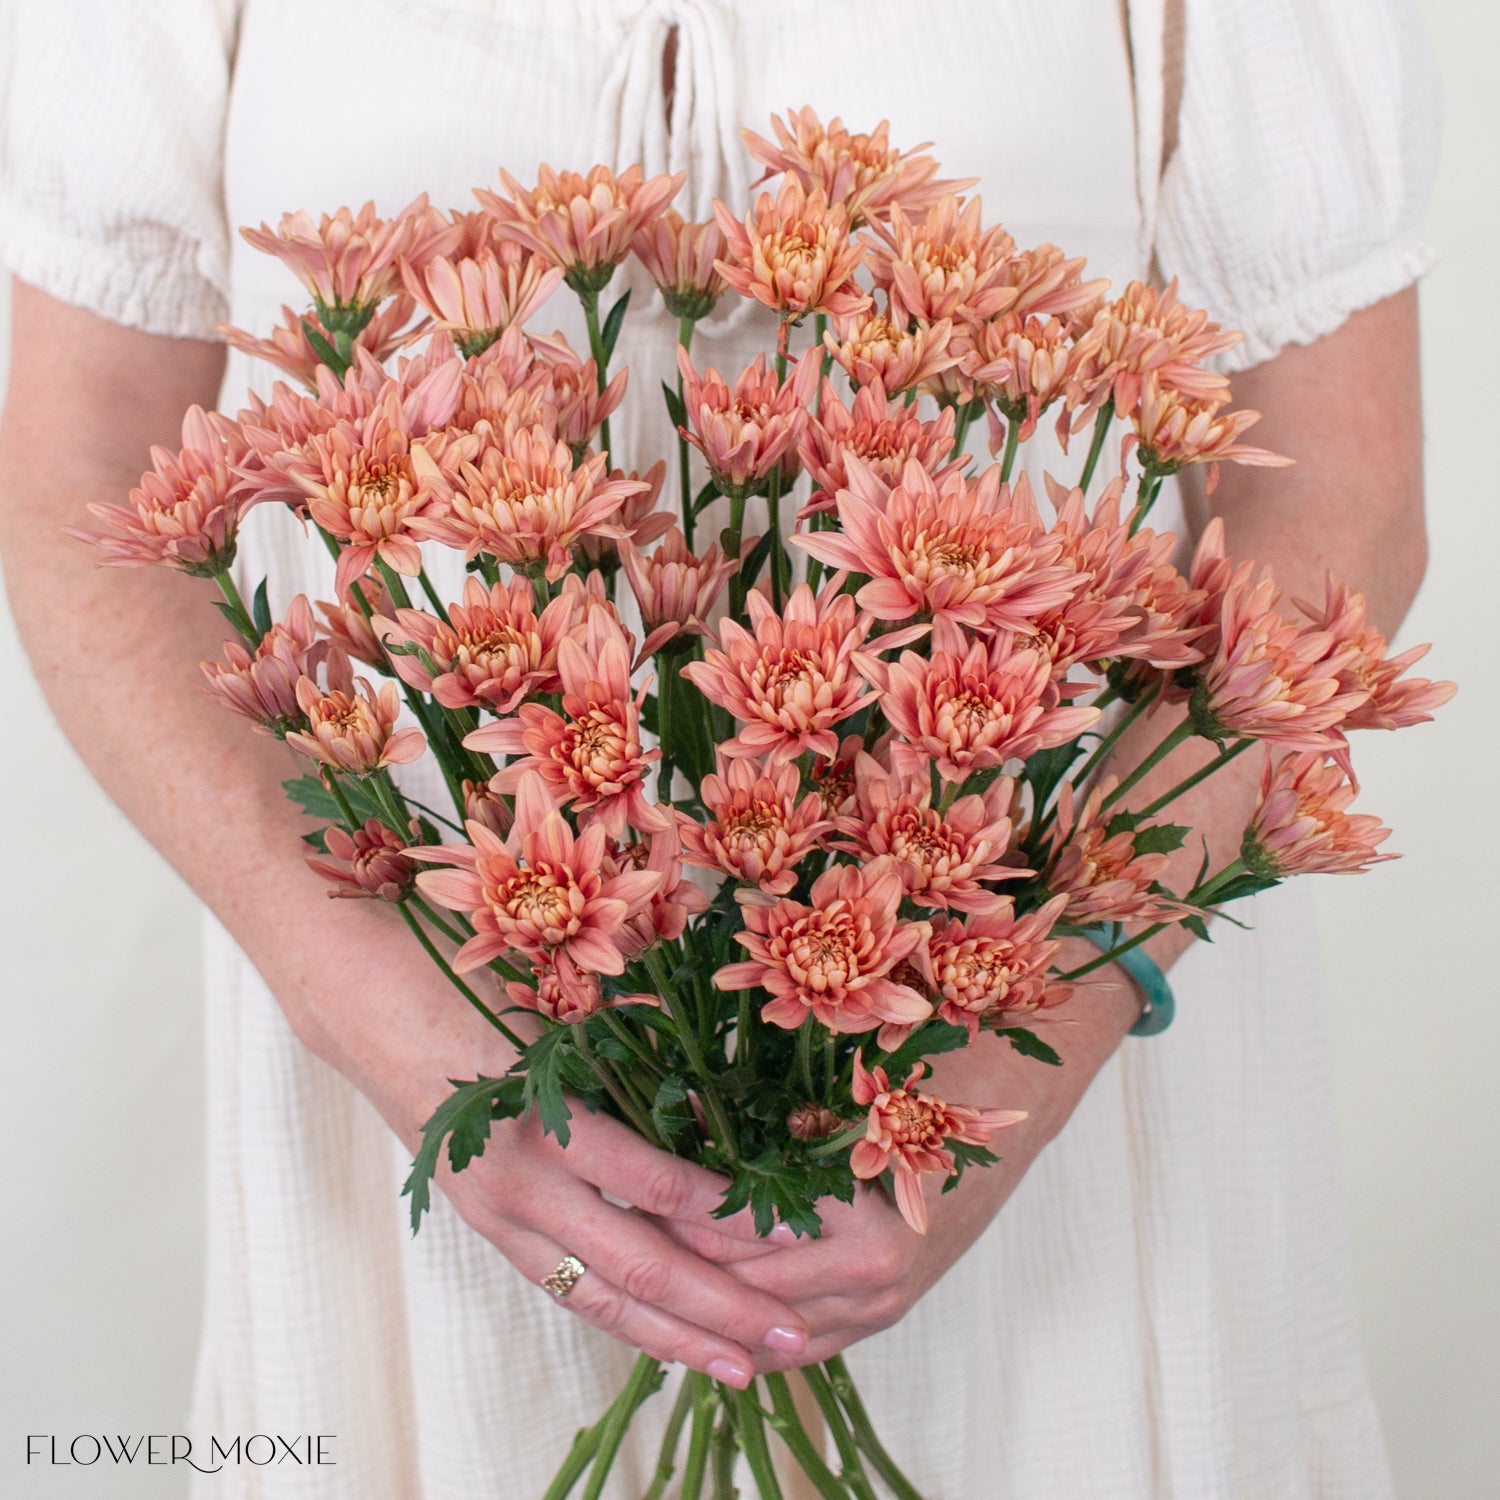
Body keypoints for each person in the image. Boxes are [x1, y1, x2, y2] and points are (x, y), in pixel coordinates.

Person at [0, 1, 1439, 1495]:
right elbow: (80, 477)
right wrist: (359, 984)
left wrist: (1046, 1016)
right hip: (409, 992)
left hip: (1026, 1031)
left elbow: (1340, 494)